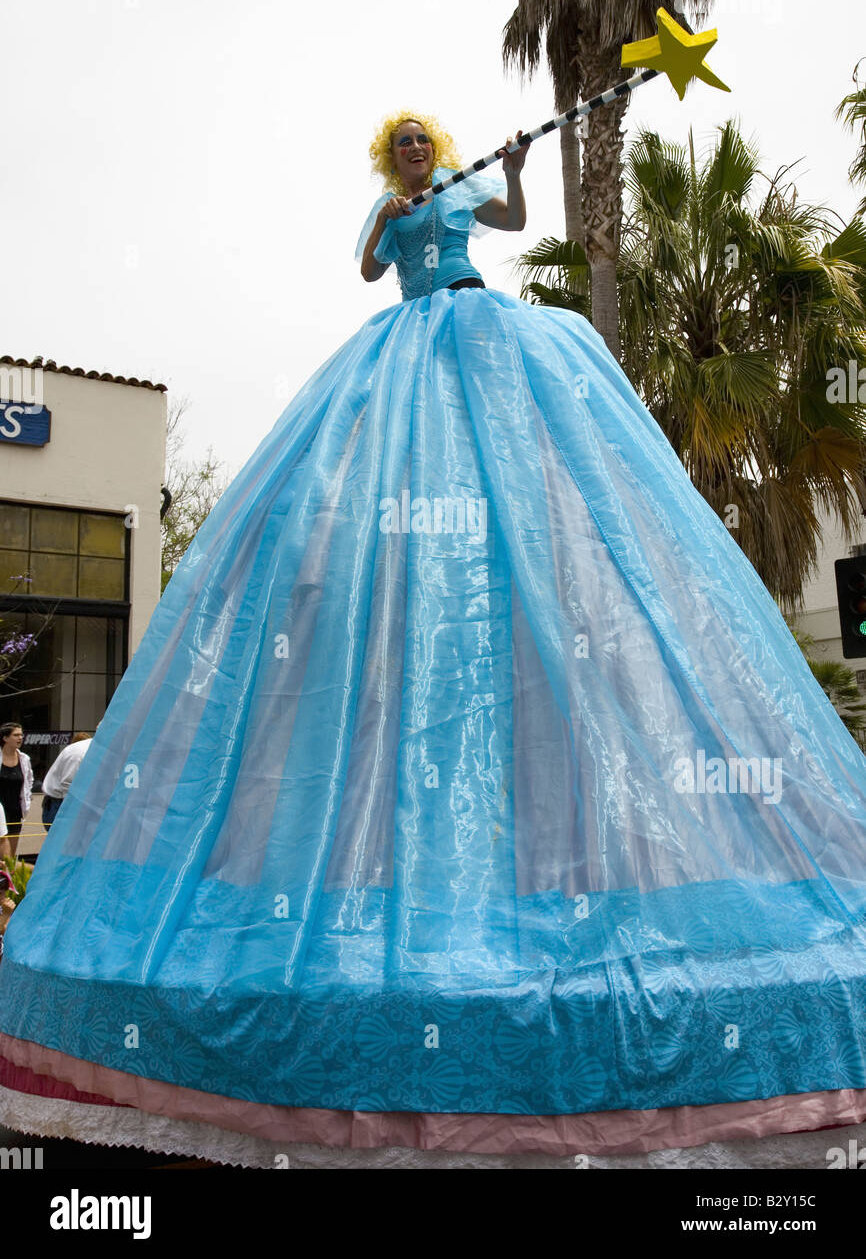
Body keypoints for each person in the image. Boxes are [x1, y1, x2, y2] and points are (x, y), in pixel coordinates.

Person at [1, 108, 866, 1169]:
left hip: (484, 329)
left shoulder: (458, 191)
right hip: (402, 350)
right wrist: (391, 215)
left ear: (434, 148)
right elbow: (368, 267)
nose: (415, 156)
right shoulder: (395, 204)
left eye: (423, 145)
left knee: (509, 503)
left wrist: (507, 168)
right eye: (402, 148)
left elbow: (504, 215)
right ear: (388, 157)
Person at [41, 732, 93, 831]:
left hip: (83, 804)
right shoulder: (79, 752)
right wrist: (71, 814)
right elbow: (68, 785)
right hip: (62, 804)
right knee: (61, 842)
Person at [0, 723, 33, 859]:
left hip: (14, 811)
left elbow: (29, 781)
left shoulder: (24, 759)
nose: (20, 738)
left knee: (9, 857)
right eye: (16, 735)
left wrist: (27, 799)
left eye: (21, 735)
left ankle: (8, 880)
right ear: (5, 738)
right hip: (0, 810)